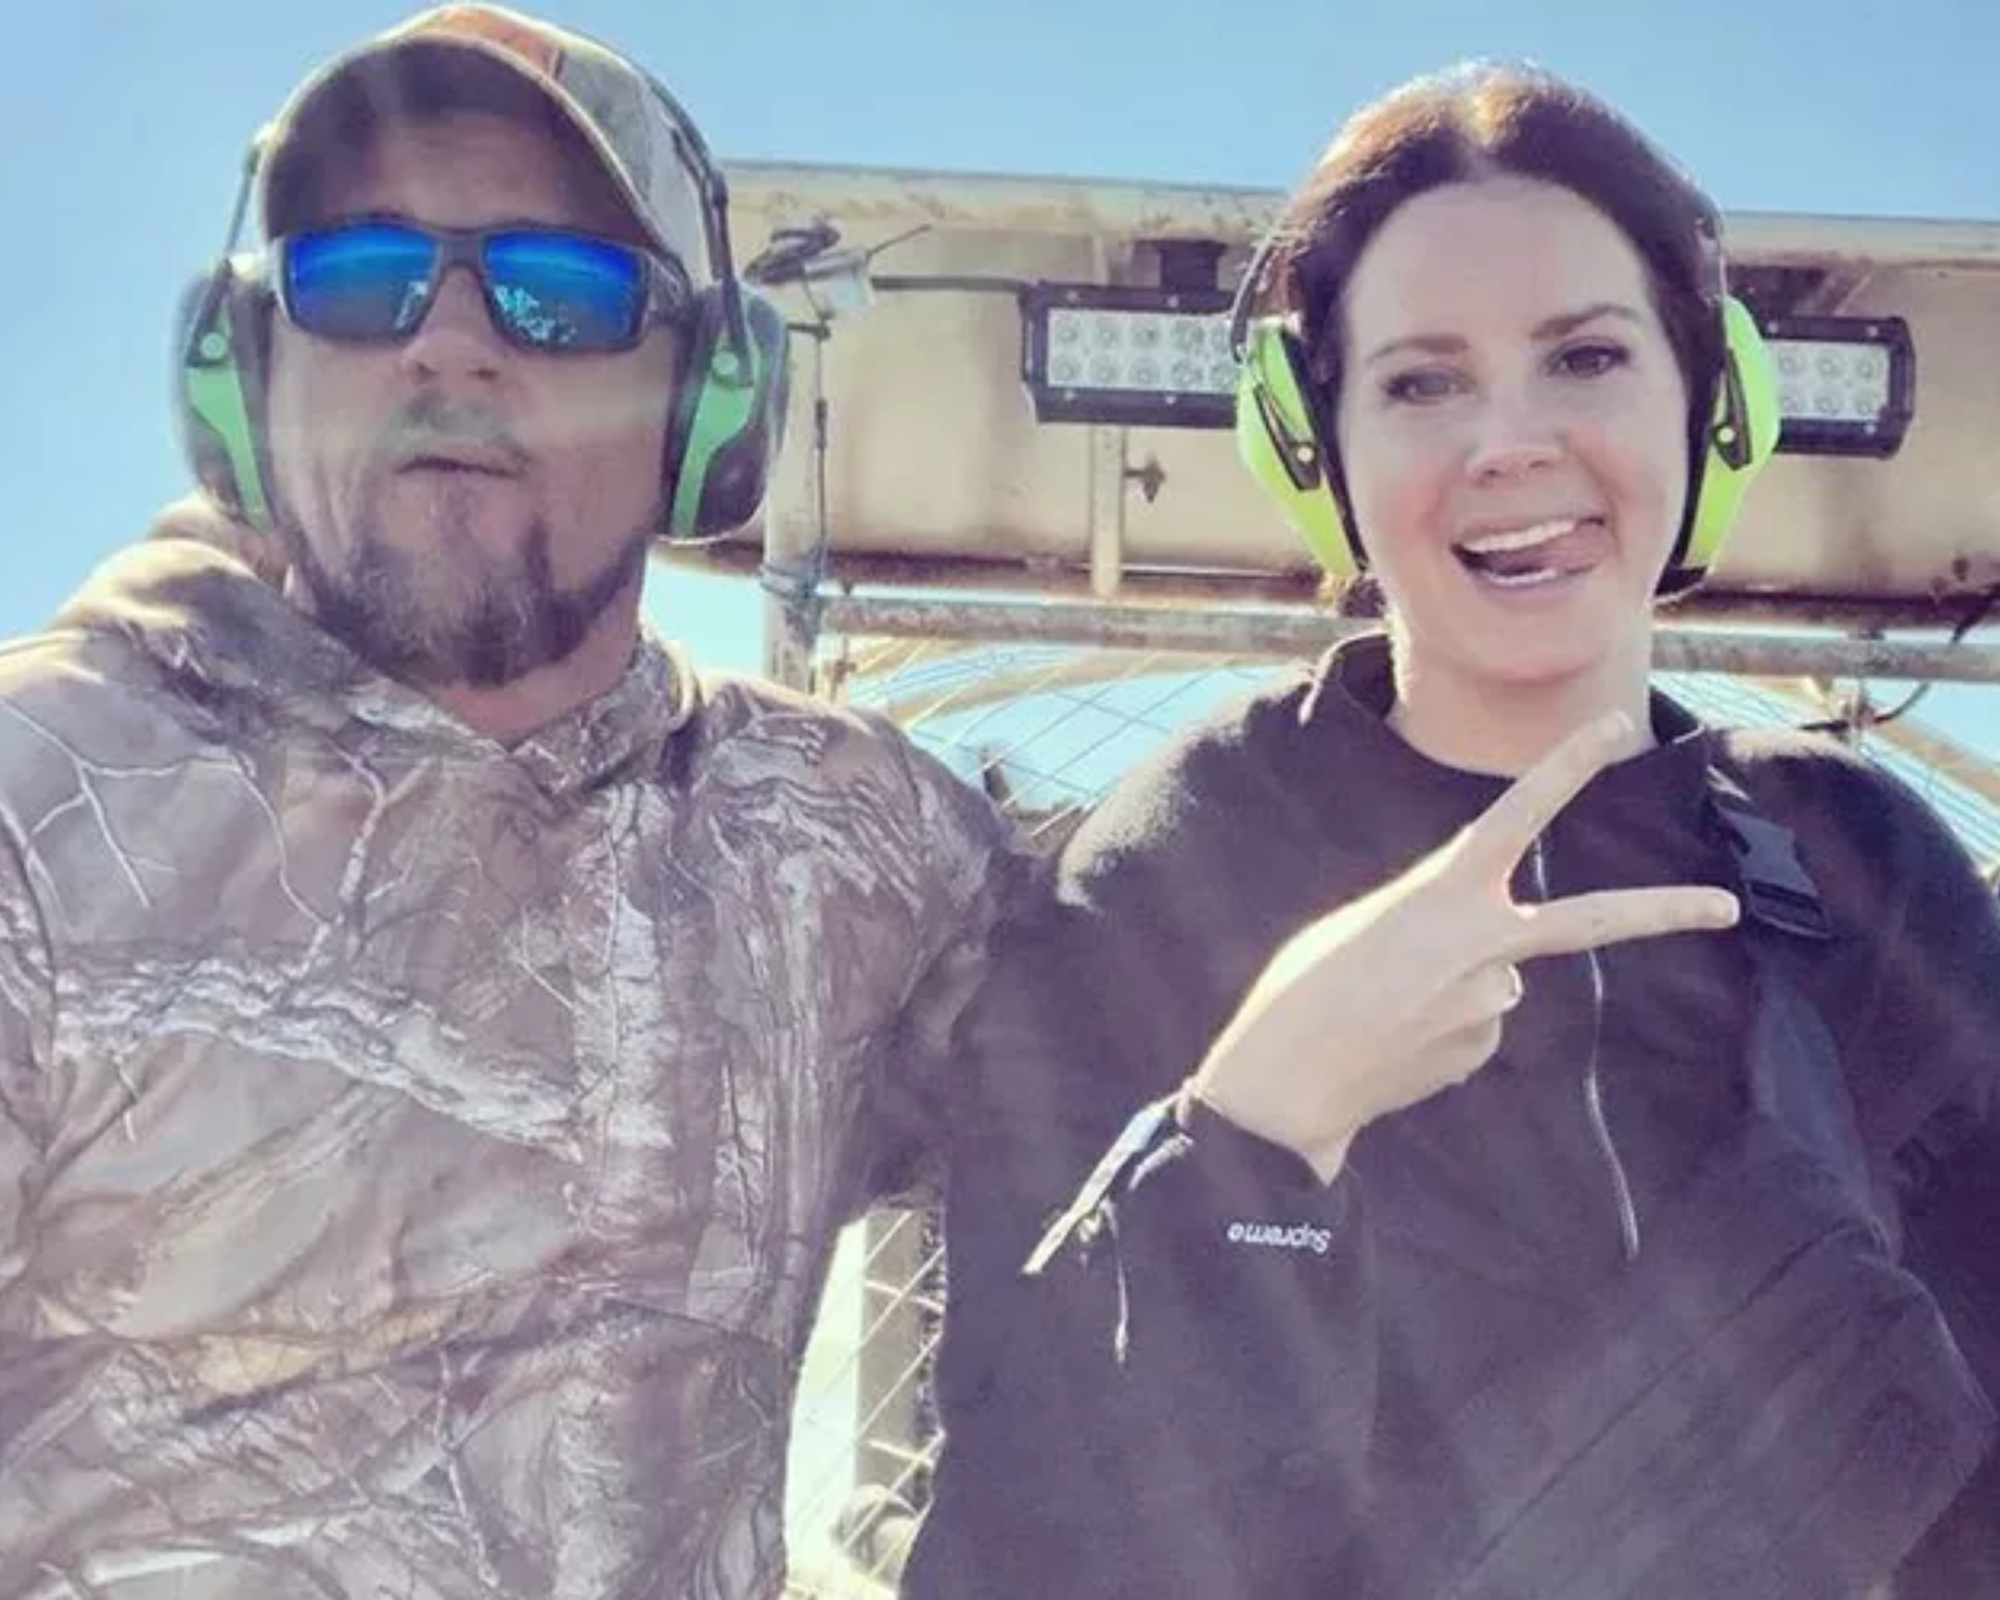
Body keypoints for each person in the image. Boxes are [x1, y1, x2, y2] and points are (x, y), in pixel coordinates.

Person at [901, 62, 2000, 1600]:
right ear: (1319, 451)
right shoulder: (1164, 876)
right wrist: (1250, 1143)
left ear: (1710, 407)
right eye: (1422, 383)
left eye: (1586, 357)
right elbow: (1017, 1549)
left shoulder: (1859, 863)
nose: (1508, 442)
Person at [0, 7, 1026, 1596]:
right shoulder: (38, 803)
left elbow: (1205, 1035)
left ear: (708, 400)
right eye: (361, 277)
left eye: (561, 292)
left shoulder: (854, 850)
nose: (451, 344)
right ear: (247, 367)